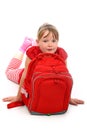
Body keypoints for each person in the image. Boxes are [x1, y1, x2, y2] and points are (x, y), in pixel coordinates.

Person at [2, 23, 84, 106]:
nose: (50, 44)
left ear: (57, 42)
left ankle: (36, 44)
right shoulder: (33, 53)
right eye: (45, 41)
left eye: (53, 41)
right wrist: (19, 96)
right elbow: (25, 75)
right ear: (38, 42)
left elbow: (65, 76)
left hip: (42, 75)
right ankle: (23, 47)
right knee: (9, 72)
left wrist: (68, 98)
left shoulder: (61, 54)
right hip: (27, 74)